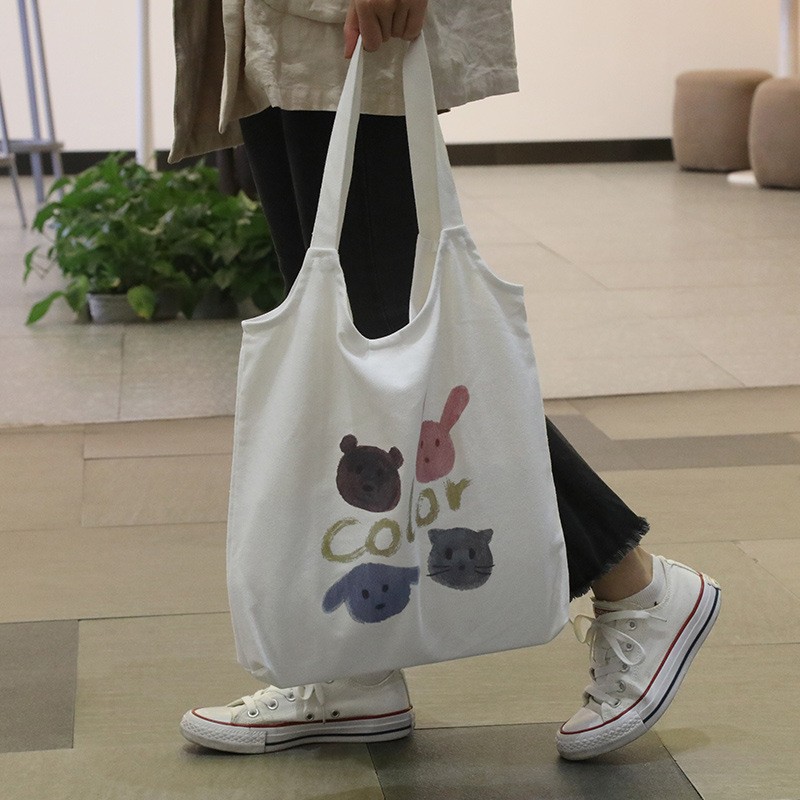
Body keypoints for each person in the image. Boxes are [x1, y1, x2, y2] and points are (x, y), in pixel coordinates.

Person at [170, 0, 721, 761]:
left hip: (337, 21)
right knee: (334, 348)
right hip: (262, 21)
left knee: (383, 341)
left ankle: (638, 586)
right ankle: (355, 668)